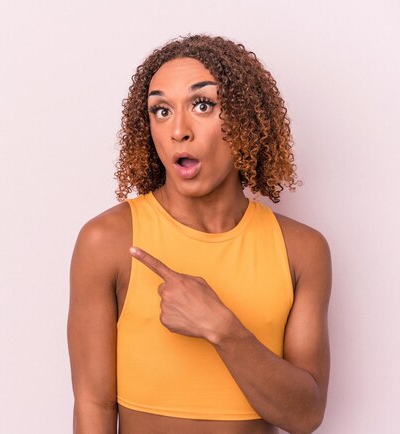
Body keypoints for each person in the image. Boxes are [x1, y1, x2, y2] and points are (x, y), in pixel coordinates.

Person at [67, 34, 331, 434]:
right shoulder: (108, 240)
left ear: (245, 121)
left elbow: (305, 416)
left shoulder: (302, 250)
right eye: (160, 110)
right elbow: (93, 404)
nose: (178, 130)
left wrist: (222, 329)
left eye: (203, 105)